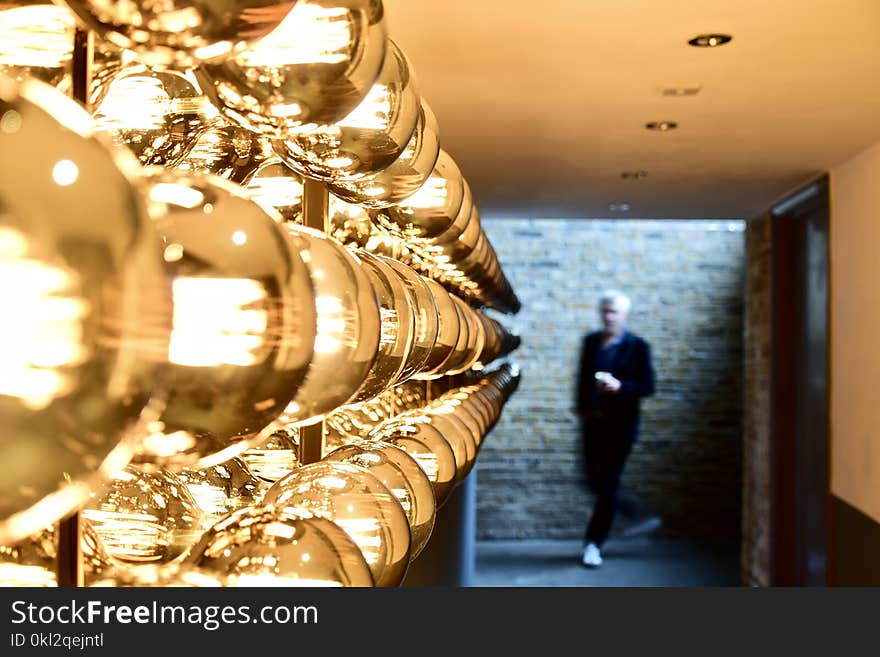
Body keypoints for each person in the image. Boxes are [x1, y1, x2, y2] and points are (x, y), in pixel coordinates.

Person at [575, 290, 657, 568]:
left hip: (620, 428)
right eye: (606, 311)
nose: (610, 316)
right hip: (592, 425)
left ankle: (593, 544)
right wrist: (582, 411)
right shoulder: (590, 343)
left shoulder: (638, 347)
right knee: (592, 480)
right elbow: (582, 380)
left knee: (607, 486)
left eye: (615, 312)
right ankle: (639, 513)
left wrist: (621, 387)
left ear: (625, 315)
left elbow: (648, 386)